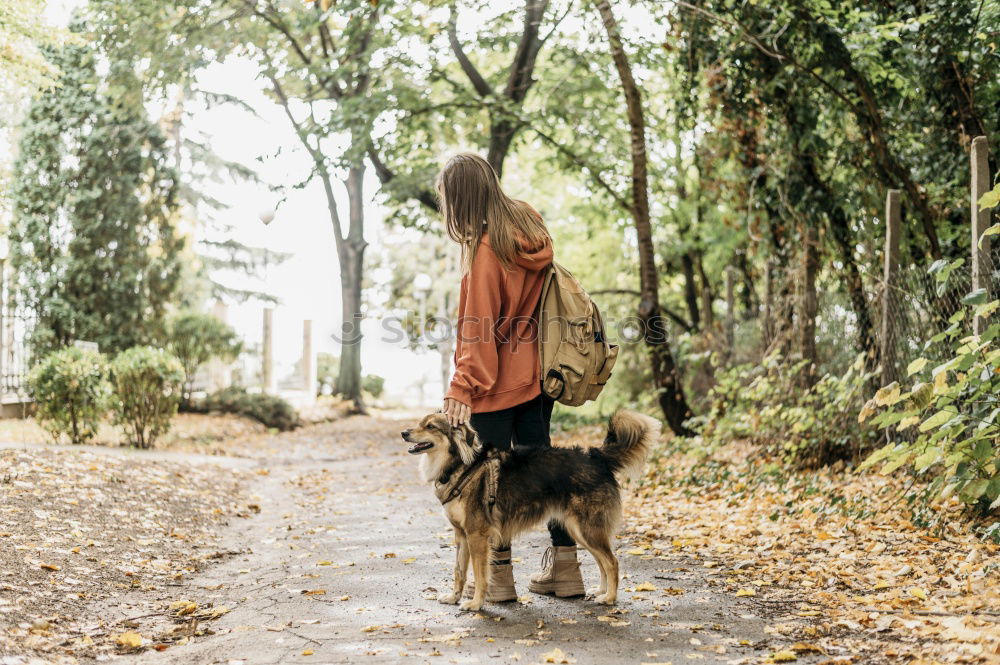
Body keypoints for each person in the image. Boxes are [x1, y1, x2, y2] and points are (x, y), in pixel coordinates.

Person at [437, 152, 584, 601]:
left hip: (496, 385)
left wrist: (462, 386)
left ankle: (498, 580)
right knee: (546, 475)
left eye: (446, 197)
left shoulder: (486, 251)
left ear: (461, 198)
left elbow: (480, 329)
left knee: (490, 484)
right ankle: (567, 572)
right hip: (539, 376)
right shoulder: (529, 223)